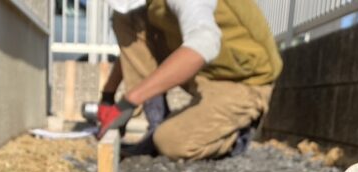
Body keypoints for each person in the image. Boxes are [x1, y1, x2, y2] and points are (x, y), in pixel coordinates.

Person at [97, 0, 282, 160]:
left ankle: (238, 133)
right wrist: (108, 94)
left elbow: (205, 42)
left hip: (242, 81)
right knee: (127, 18)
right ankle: (155, 124)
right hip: (206, 71)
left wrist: (129, 101)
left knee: (171, 141)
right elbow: (137, 46)